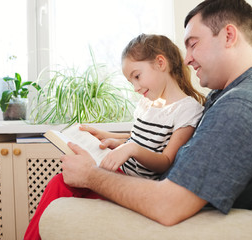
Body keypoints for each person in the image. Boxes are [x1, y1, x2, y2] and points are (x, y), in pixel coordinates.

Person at [59, 0, 252, 227]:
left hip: (165, 210)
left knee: (62, 189)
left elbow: (169, 205)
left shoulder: (241, 106)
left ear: (228, 36)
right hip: (158, 190)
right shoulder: (239, 90)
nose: (187, 59)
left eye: (193, 44)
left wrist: (91, 175)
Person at [24, 34, 205, 239]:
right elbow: (138, 137)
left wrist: (131, 149)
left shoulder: (187, 110)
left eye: (137, 76)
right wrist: (105, 136)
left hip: (134, 185)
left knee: (60, 184)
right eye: (131, 82)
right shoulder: (149, 103)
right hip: (120, 173)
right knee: (61, 181)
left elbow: (165, 161)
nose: (136, 88)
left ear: (160, 63)